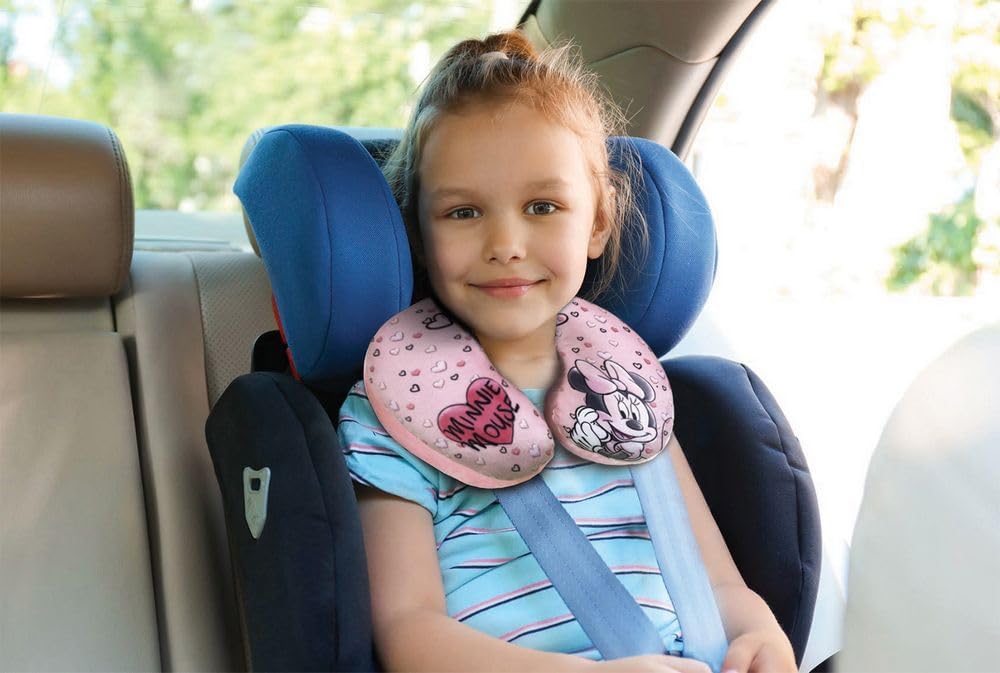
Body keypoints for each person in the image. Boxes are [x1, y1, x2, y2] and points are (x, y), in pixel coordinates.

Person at [337, 30, 795, 673]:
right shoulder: (390, 409)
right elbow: (407, 632)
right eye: (463, 213)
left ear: (597, 223)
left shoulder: (627, 384)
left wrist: (760, 637)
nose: (506, 244)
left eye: (542, 206)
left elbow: (719, 586)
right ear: (416, 232)